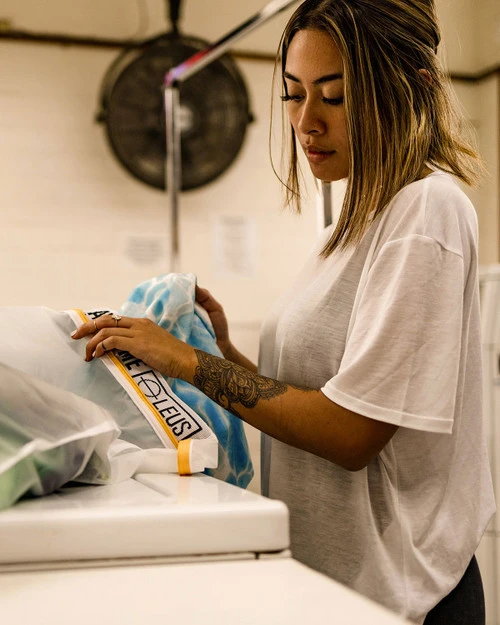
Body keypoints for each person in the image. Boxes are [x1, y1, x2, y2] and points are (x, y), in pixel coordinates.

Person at [72, 1, 495, 623]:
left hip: (406, 598)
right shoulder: (348, 228)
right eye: (293, 95)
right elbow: (316, 400)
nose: (305, 122)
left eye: (335, 96)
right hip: (338, 587)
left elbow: (350, 434)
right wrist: (222, 352)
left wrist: (190, 363)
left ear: (412, 87)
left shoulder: (425, 212)